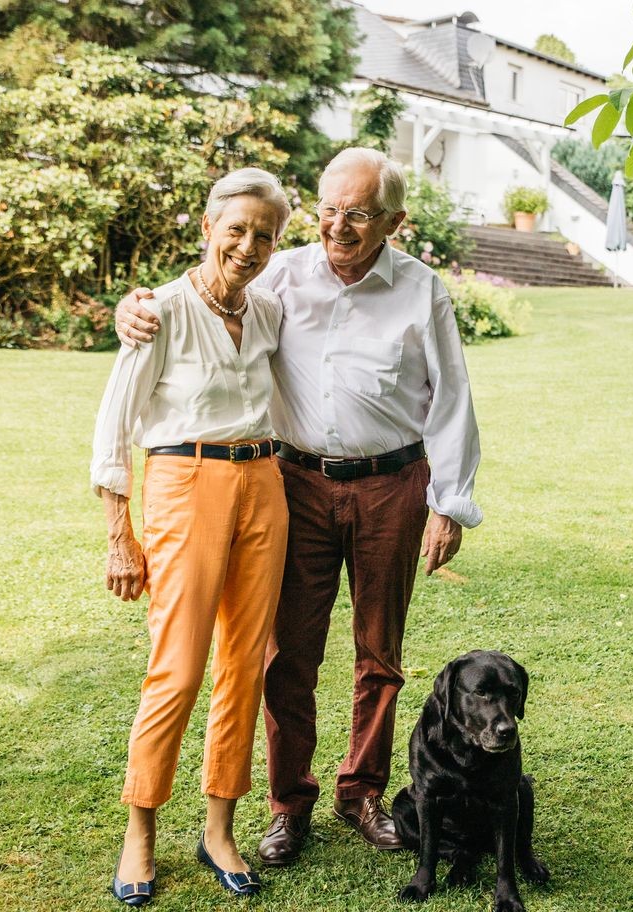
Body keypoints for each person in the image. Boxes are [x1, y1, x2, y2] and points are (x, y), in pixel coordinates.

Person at [115, 147, 482, 868]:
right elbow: (208, 289)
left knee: (380, 653)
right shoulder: (280, 271)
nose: (339, 227)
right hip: (295, 486)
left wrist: (450, 502)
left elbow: (453, 398)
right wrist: (137, 307)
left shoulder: (421, 289)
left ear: (394, 221)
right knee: (288, 655)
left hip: (391, 484)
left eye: (359, 214)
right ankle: (289, 804)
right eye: (329, 210)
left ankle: (362, 792)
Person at [92, 168, 292, 905]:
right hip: (185, 483)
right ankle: (139, 831)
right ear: (207, 227)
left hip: (264, 486)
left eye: (263, 235)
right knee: (176, 667)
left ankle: (219, 826)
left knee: (245, 665)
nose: (247, 245)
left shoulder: (269, 309)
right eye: (235, 229)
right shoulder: (161, 312)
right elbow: (113, 428)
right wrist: (121, 535)